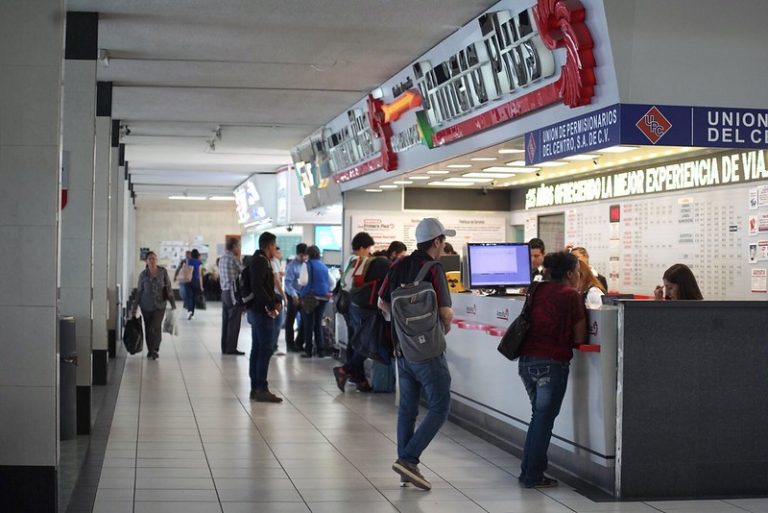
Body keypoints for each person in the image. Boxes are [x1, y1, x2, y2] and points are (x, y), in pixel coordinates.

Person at [378, 218, 455, 491]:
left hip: (402, 350)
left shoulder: (397, 264)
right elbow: (446, 312)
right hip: (428, 351)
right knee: (440, 405)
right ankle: (409, 460)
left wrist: (404, 327)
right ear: (436, 242)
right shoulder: (435, 269)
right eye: (444, 241)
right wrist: (439, 329)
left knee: (407, 410)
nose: (444, 246)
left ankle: (405, 470)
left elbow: (382, 302)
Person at [518, 251, 586, 489]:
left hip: (526, 362)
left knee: (539, 418)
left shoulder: (536, 289)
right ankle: (532, 475)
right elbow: (580, 336)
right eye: (577, 271)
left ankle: (528, 471)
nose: (579, 275)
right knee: (543, 420)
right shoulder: (571, 295)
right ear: (569, 273)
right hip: (552, 363)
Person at [332, 232, 377, 392]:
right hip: (355, 305)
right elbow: (355, 284)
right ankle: (349, 372)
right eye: (368, 248)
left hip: (347, 305)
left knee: (355, 340)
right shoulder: (358, 260)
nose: (369, 252)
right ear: (362, 247)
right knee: (361, 342)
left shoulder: (348, 260)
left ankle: (358, 378)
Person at [245, 232, 283, 403]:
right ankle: (261, 388)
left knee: (258, 348)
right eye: (274, 246)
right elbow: (258, 286)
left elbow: (261, 286)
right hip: (261, 312)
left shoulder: (257, 259)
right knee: (265, 349)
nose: (275, 249)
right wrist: (270, 305)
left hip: (256, 310)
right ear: (269, 246)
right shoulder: (261, 261)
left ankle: (256, 387)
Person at [135, 251, 176, 360]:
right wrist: (134, 308)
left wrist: (173, 303)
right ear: (146, 261)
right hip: (146, 306)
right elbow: (139, 292)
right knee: (148, 328)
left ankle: (155, 348)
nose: (152, 261)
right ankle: (150, 349)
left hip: (160, 305)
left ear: (157, 260)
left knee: (156, 327)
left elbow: (168, 288)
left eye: (154, 258)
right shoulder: (143, 275)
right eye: (150, 259)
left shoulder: (163, 272)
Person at [299, 245, 331, 358]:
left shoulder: (306, 264)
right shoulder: (324, 266)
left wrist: (299, 283)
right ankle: (321, 350)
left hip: (310, 297)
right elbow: (331, 281)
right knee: (318, 323)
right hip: (323, 297)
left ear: (308, 254)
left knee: (308, 324)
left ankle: (308, 350)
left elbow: (303, 281)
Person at [218, 238, 245, 355]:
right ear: (234, 246)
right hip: (233, 292)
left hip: (224, 292)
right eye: (238, 246)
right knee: (234, 321)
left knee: (226, 320)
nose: (239, 248)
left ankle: (224, 347)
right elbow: (244, 272)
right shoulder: (234, 259)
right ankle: (231, 348)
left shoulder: (222, 258)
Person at [283, 243, 308, 353]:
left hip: (303, 295)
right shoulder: (292, 266)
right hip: (292, 294)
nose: (303, 258)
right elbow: (287, 283)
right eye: (301, 256)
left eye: (305, 256)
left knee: (305, 320)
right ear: (297, 254)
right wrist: (294, 295)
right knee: (290, 320)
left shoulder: (306, 265)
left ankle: (299, 343)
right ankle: (290, 344)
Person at [271, 246, 286, 355]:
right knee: (278, 321)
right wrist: (284, 296)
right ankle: (273, 346)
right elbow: (276, 281)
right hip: (276, 296)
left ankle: (273, 345)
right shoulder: (274, 261)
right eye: (278, 251)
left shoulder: (273, 261)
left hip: (273, 295)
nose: (280, 253)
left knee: (276, 321)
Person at [184, 249, 204, 319]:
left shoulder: (188, 261)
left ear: (191, 255)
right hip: (196, 281)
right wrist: (201, 286)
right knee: (194, 297)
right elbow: (200, 275)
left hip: (188, 281)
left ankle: (189, 311)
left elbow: (185, 271)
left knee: (189, 297)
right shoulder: (199, 262)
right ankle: (192, 313)